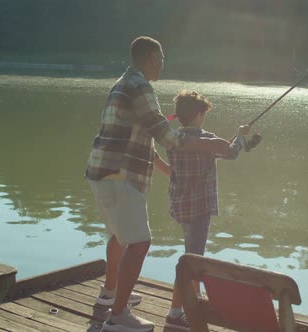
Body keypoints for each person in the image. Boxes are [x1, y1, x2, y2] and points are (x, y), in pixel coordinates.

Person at [85, 37, 231, 332]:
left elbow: (145, 140)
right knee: (139, 243)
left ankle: (110, 294)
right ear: (152, 57)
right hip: (121, 175)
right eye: (161, 58)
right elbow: (165, 134)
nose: (163, 64)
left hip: (101, 172)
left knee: (120, 236)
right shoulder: (141, 86)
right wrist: (208, 144)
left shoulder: (121, 84)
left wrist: (168, 170)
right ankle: (117, 317)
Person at [164, 90, 252, 331]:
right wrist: (239, 135)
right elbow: (231, 153)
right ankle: (175, 314)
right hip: (199, 208)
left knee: (192, 256)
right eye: (204, 113)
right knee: (192, 260)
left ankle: (192, 303)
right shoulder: (206, 139)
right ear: (199, 115)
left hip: (181, 206)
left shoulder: (172, 138)